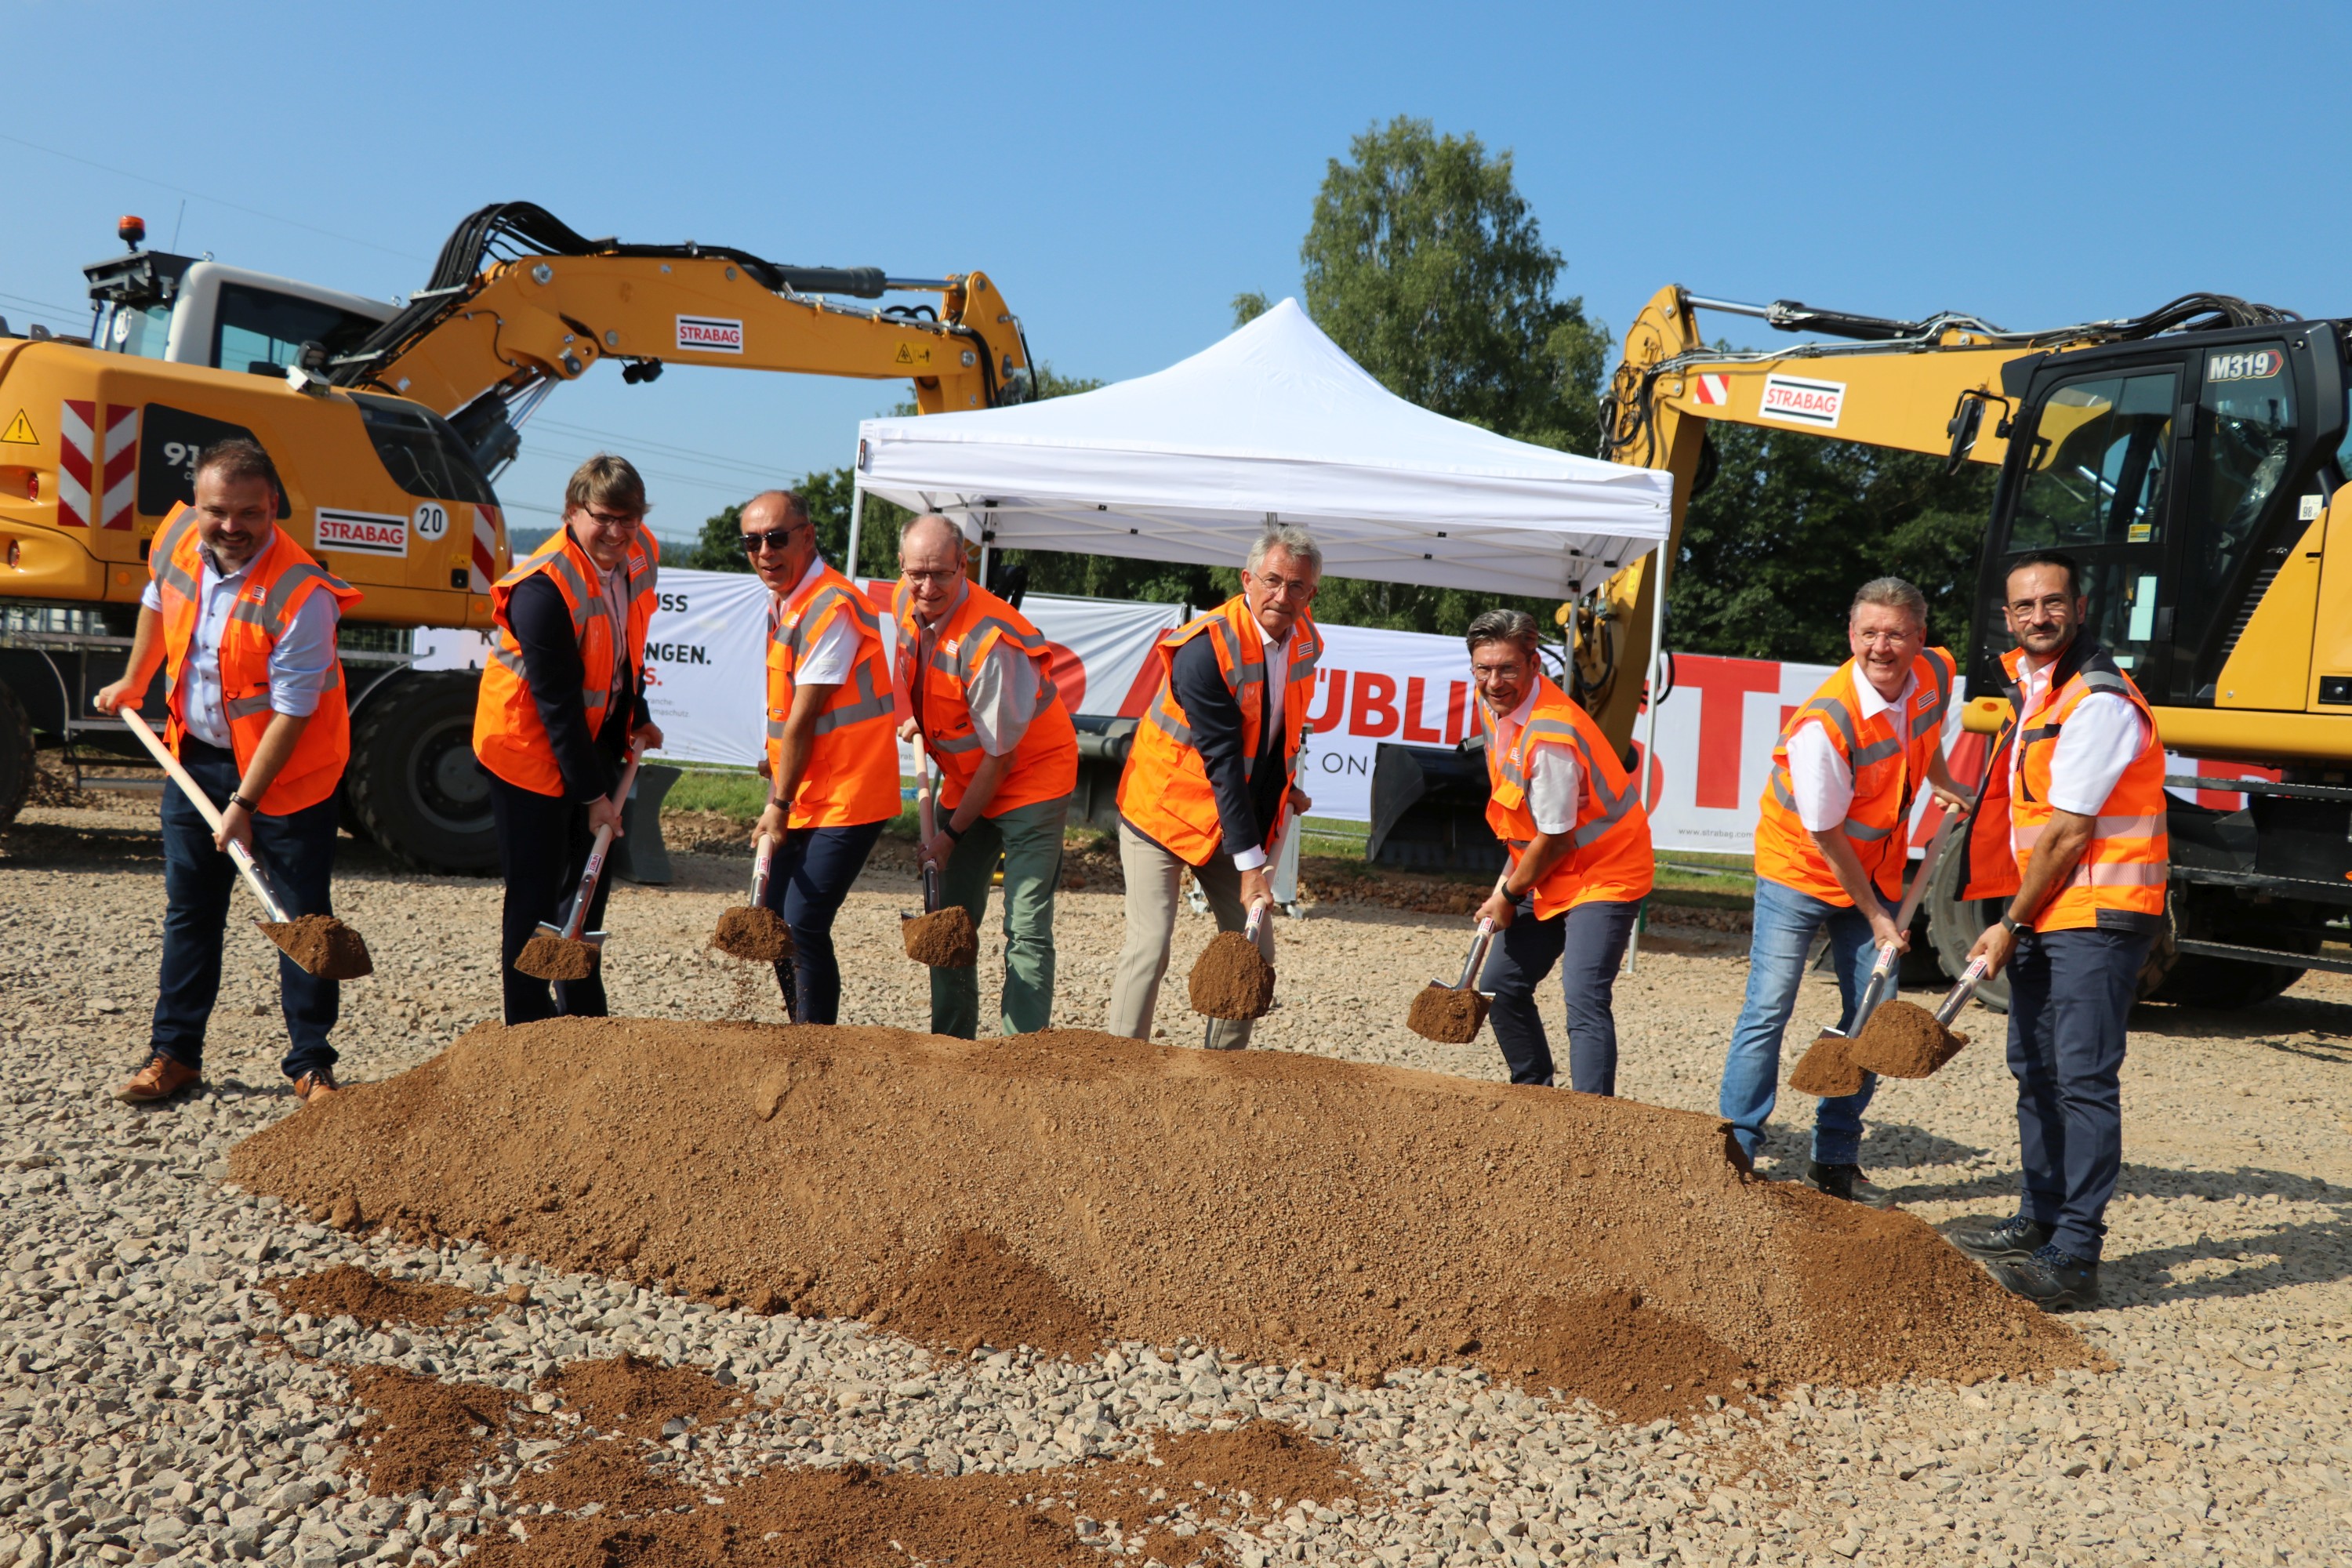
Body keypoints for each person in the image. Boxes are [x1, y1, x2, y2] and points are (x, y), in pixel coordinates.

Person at [95, 439, 361, 1106]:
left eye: (249, 512)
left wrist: (244, 804)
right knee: (191, 912)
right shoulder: (179, 539)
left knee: (300, 919)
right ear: (197, 503)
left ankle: (311, 1065)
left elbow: (293, 713)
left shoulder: (302, 592)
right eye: (218, 511)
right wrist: (134, 681)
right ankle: (175, 1054)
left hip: (288, 776)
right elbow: (158, 599)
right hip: (195, 759)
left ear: (274, 505)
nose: (231, 526)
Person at [1949, 551, 2167, 1309]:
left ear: (2079, 607)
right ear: (2007, 617)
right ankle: (2039, 1218)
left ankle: (2075, 1254)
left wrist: (2008, 922)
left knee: (2082, 1080)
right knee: (2034, 1069)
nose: (2037, 616)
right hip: (2052, 910)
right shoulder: (2039, 692)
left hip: (2096, 915)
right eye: (2023, 606)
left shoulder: (2098, 699)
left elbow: (2071, 831)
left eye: (2052, 602)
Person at [1718, 576, 1968, 1203]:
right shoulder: (1825, 725)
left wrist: (1938, 778)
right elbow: (1827, 835)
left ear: (1920, 637)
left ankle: (1833, 1161)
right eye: (1869, 633)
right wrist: (1879, 916)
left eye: (1895, 634)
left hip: (1875, 870)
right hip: (1801, 869)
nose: (1881, 647)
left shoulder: (1935, 670)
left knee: (1874, 1012)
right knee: (1769, 1006)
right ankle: (1735, 1153)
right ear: (1851, 635)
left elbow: (1926, 728)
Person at [1108, 525, 1322, 1050]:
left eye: (1297, 586)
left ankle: (1218, 1073)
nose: (1283, 596)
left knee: (1254, 955)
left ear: (1311, 593)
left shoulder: (1305, 641)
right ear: (1247, 580)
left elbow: (1276, 731)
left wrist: (1285, 788)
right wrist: (1252, 869)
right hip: (1162, 812)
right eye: (1272, 581)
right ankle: (1117, 1067)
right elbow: (1224, 761)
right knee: (1150, 946)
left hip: (1229, 819)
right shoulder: (1204, 650)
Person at [471, 454, 662, 1024]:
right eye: (604, 518)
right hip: (523, 747)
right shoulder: (542, 588)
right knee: (535, 895)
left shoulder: (638, 554)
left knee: (587, 886)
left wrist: (637, 714)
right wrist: (594, 796)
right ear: (572, 512)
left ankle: (580, 1019)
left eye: (629, 519)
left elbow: (625, 648)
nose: (617, 533)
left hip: (593, 735)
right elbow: (557, 705)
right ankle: (527, 1026)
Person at [893, 514, 1080, 1038]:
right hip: (968, 776)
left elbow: (1001, 759)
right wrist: (919, 717)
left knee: (1026, 926)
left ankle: (1022, 1055)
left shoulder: (992, 643)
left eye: (941, 574)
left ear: (963, 566)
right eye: (917, 573)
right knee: (948, 916)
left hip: (1033, 780)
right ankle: (951, 1046)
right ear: (902, 567)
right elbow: (917, 668)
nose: (928, 587)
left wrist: (949, 836)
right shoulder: (907, 601)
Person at [1464, 609, 1653, 1094]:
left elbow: (1556, 838)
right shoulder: (1495, 710)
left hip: (1604, 871)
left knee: (1584, 995)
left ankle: (1590, 1118)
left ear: (1533, 665)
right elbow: (1525, 824)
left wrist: (1508, 895)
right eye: (1483, 669)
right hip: (1549, 868)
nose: (1494, 682)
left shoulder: (1550, 736)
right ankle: (1535, 1096)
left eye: (1507, 669)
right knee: (1501, 985)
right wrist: (1503, 890)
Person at [745, 488, 898, 1022]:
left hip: (850, 792)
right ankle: (801, 1028)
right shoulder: (787, 601)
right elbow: (785, 713)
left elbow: (804, 717)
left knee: (803, 921)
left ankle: (815, 1045)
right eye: (752, 542)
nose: (764, 551)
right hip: (810, 786)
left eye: (776, 538)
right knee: (772, 915)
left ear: (807, 537)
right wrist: (776, 774)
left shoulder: (832, 606)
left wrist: (777, 805)